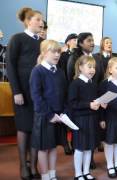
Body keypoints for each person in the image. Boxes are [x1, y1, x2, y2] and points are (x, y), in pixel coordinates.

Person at [6, 7, 43, 179]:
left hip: (37, 92)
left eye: (42, 20)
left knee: (35, 129)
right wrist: (16, 91)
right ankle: (23, 167)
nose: (41, 23)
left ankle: (33, 167)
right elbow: (11, 66)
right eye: (38, 20)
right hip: (22, 92)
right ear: (28, 21)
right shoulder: (17, 39)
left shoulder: (42, 43)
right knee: (23, 128)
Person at [29, 40, 67, 180]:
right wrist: (50, 115)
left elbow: (64, 94)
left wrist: (62, 112)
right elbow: (36, 97)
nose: (57, 55)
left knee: (53, 147)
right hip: (45, 116)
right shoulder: (37, 71)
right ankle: (45, 176)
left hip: (58, 116)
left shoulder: (60, 72)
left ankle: (52, 174)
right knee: (44, 148)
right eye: (53, 52)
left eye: (59, 52)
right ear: (44, 53)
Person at [68, 55, 100, 180]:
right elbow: (72, 103)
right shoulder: (75, 83)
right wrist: (89, 105)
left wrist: (99, 103)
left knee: (89, 148)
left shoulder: (93, 83)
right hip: (80, 120)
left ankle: (86, 172)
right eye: (89, 67)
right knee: (80, 148)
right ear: (80, 67)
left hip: (92, 118)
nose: (92, 70)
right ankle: (78, 174)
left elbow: (95, 99)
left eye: (94, 67)